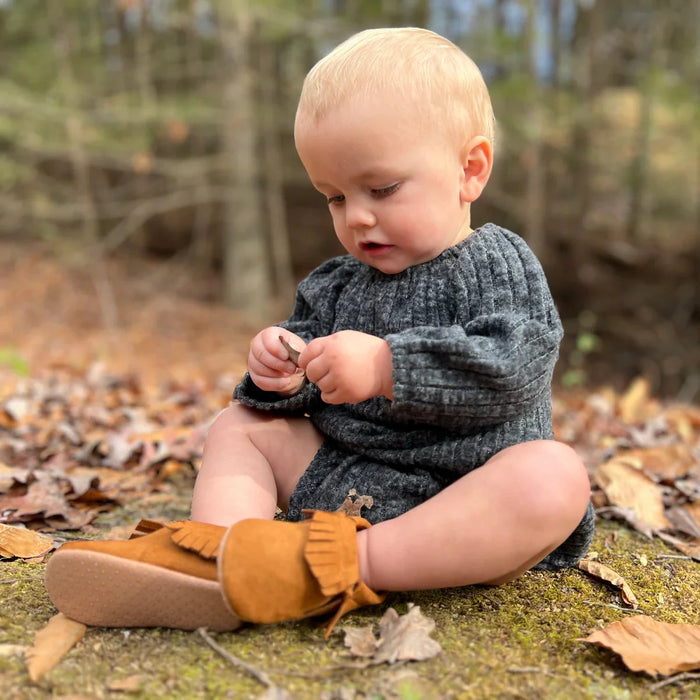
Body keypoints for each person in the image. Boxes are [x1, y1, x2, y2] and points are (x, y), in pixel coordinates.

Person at [45, 27, 594, 638]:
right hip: (346, 481)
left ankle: (324, 569)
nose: (356, 215)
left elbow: (513, 370)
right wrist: (276, 374)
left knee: (554, 475)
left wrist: (389, 366)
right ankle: (218, 559)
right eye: (333, 197)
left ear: (469, 170)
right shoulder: (335, 283)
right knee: (239, 427)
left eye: (381, 188)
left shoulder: (498, 264)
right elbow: (298, 385)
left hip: (458, 506)